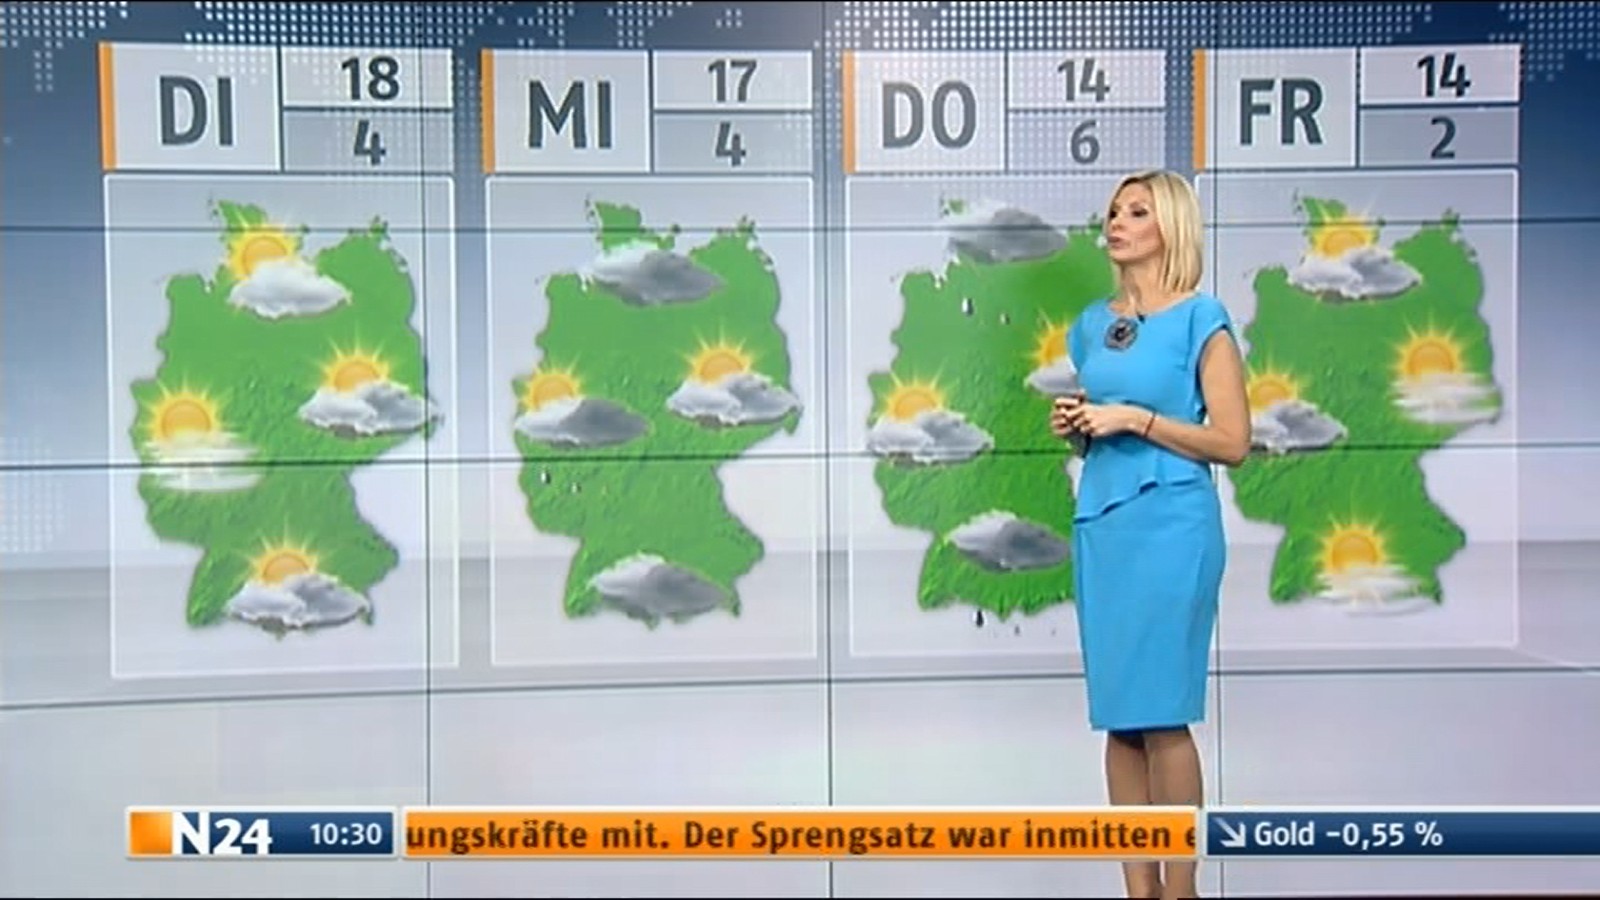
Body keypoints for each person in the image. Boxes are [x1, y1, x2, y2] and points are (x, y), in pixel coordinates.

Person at [1049, 169, 1251, 900]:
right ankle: (1138, 891)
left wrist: (1135, 419)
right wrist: (1081, 428)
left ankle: (1181, 889)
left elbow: (1232, 441)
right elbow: (1104, 418)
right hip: (1105, 524)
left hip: (1173, 525)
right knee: (1121, 718)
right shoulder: (1089, 325)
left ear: (1171, 226)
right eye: (1113, 211)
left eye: (1137, 211)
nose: (1117, 222)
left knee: (1163, 714)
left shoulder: (1202, 319)